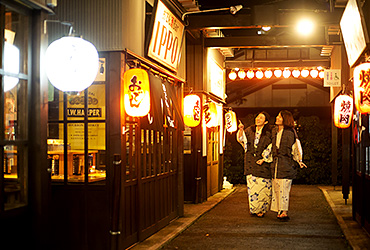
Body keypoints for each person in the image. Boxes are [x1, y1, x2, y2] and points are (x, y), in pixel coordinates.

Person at [270, 110, 307, 221]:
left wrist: (299, 160)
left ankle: (284, 211)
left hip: (286, 164)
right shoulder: (275, 131)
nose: (277, 118)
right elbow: (270, 147)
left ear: (285, 119)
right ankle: (279, 210)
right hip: (276, 165)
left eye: (280, 116)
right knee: (276, 188)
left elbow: (296, 147)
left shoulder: (290, 132)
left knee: (284, 189)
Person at [237, 112, 273, 218]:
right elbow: (241, 140)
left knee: (264, 188)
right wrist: (241, 130)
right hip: (251, 162)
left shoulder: (269, 132)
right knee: (252, 188)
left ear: (266, 121)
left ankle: (261, 210)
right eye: (257, 117)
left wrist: (264, 158)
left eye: (261, 118)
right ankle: (254, 209)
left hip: (263, 164)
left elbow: (271, 146)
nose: (258, 119)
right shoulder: (249, 130)